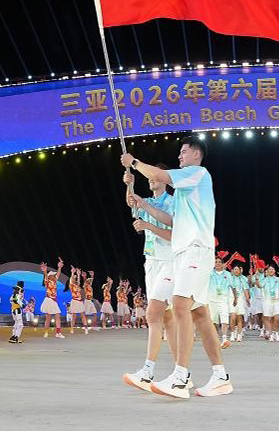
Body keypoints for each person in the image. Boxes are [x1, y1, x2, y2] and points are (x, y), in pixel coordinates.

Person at [121, 135, 232, 398]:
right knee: (200, 314)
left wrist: (133, 162)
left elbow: (160, 175)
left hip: (195, 249)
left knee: (179, 306)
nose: (179, 156)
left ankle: (181, 378)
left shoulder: (198, 174)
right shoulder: (184, 192)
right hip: (183, 254)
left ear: (196, 154)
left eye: (183, 152)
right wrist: (142, 202)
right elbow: (169, 219)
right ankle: (220, 377)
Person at [121, 161, 179, 392]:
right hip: (151, 262)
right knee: (167, 318)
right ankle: (181, 372)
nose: (151, 179)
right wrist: (129, 184)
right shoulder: (148, 201)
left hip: (169, 262)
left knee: (153, 314)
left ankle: (147, 371)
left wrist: (148, 225)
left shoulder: (173, 202)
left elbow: (174, 233)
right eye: (149, 177)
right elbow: (131, 202)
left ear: (164, 179)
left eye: (155, 176)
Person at [208, 256, 237, 348]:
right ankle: (215, 337)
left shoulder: (227, 274)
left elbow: (233, 287)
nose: (217, 263)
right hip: (212, 300)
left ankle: (224, 338)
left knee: (224, 320)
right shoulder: (209, 273)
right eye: (216, 262)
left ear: (223, 264)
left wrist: (235, 298)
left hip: (223, 300)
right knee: (213, 321)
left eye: (219, 262)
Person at [257, 265, 279, 341]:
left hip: (276, 300)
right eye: (269, 269)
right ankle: (271, 334)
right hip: (267, 301)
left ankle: (276, 333)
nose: (271, 270)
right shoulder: (264, 279)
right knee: (268, 318)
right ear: (267, 271)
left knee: (277, 317)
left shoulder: (277, 279)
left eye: (272, 269)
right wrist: (257, 279)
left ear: (274, 271)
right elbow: (259, 286)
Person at [40, 259, 65, 339]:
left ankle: (58, 333)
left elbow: (58, 274)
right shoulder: (47, 281)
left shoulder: (55, 281)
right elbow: (45, 276)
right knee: (48, 317)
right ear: (49, 276)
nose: (54, 276)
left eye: (54, 275)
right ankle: (46, 332)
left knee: (58, 315)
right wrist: (45, 271)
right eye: (53, 275)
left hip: (54, 300)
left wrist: (59, 267)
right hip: (49, 300)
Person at [229, 264, 250, 342]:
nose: (236, 271)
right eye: (235, 269)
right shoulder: (230, 278)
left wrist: (247, 299)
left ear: (240, 270)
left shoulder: (243, 279)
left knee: (239, 317)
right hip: (231, 299)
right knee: (232, 317)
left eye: (237, 269)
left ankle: (239, 334)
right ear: (232, 270)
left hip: (241, 299)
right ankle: (232, 333)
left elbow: (245, 289)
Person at [67, 267, 89, 334]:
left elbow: (79, 280)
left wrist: (78, 274)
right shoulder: (71, 285)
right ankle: (71, 329)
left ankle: (86, 329)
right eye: (74, 278)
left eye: (75, 278)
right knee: (74, 316)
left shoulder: (77, 285)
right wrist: (72, 273)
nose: (75, 279)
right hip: (74, 301)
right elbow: (71, 280)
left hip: (80, 301)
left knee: (82, 315)